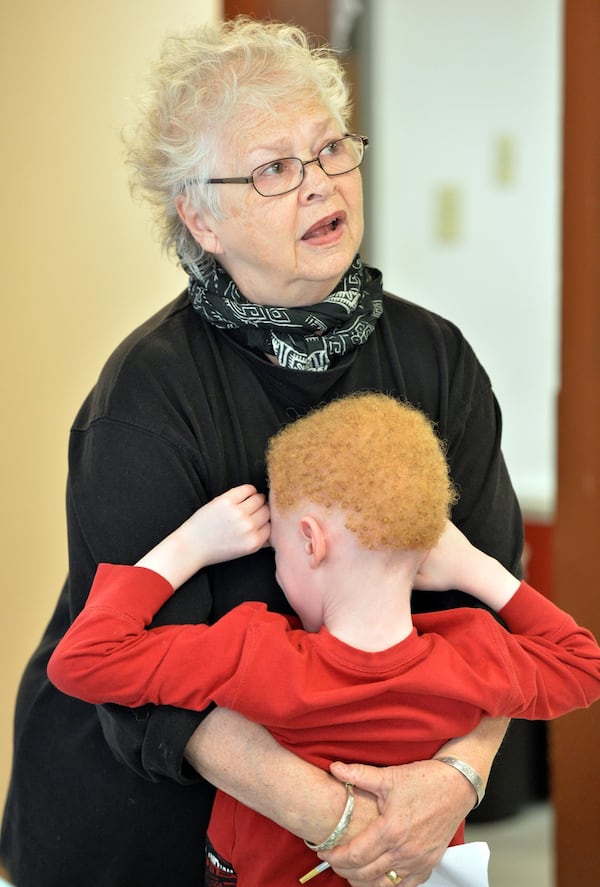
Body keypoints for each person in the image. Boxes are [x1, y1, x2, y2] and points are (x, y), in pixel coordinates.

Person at [1, 17, 524, 887]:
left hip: (365, 828)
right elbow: (147, 680)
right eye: (275, 168)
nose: (320, 185)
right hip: (144, 833)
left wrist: (454, 778)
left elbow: (497, 600)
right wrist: (345, 822)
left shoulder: (436, 360)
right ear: (200, 218)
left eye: (330, 150)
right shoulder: (146, 398)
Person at [46, 393, 600, 887]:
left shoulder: (257, 654)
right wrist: (480, 570)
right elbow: (583, 665)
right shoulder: (476, 657)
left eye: (279, 547)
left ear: (309, 542)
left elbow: (83, 658)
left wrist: (191, 546)